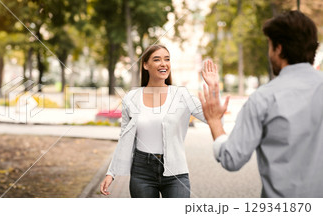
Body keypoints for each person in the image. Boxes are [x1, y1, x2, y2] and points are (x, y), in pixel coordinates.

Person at [198, 10, 323, 198]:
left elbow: (231, 158)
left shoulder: (263, 98)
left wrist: (215, 120)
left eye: (270, 46)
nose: (269, 52)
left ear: (279, 49)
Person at [99, 44, 219, 198]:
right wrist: (111, 172)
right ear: (145, 65)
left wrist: (213, 87)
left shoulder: (181, 95)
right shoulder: (131, 98)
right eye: (157, 59)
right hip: (142, 172)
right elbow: (124, 137)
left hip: (176, 171)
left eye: (167, 59)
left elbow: (213, 116)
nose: (163, 63)